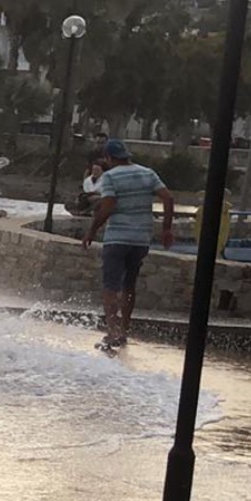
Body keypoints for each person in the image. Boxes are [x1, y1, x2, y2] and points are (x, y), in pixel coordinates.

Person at [82, 139, 175, 350]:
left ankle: (112, 332)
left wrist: (92, 231)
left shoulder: (110, 177)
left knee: (110, 285)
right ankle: (124, 330)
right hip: (141, 239)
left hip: (117, 238)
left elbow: (108, 206)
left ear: (108, 158)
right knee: (129, 285)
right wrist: (167, 229)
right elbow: (168, 198)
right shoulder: (147, 173)